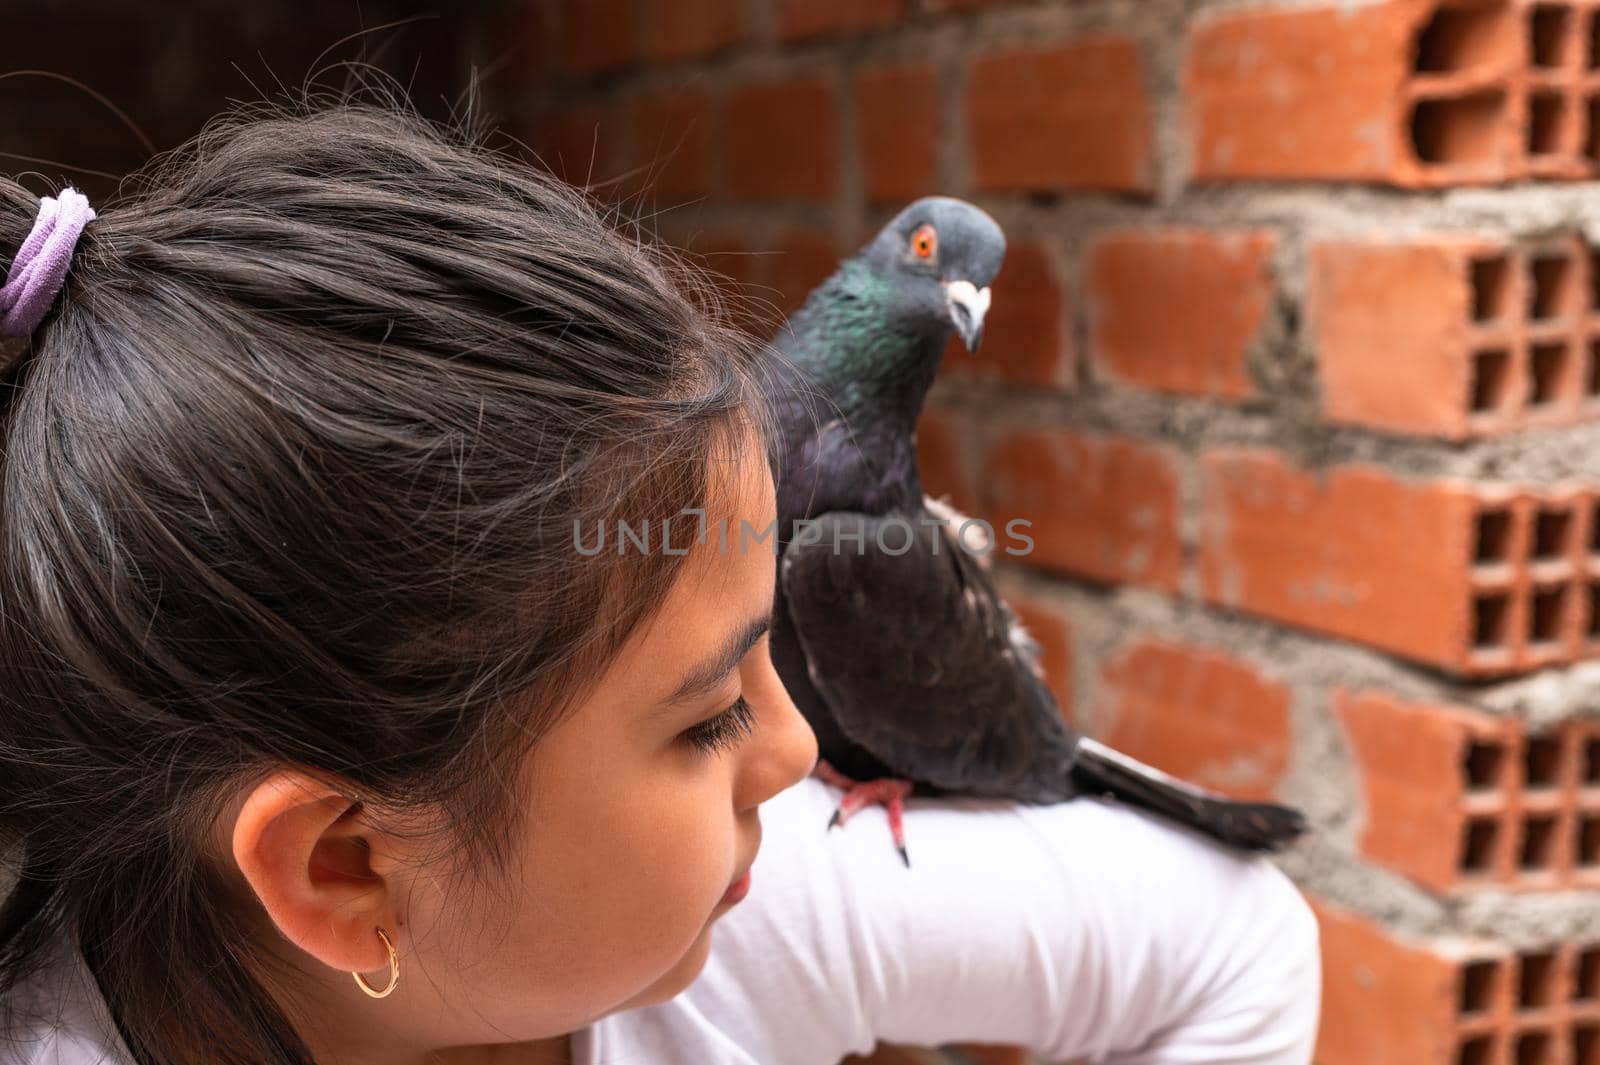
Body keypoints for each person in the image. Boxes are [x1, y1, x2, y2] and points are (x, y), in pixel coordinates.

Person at [0, 91, 1320, 1065]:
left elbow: (1237, 938)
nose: (801, 744)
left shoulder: (739, 907)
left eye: (769, 647)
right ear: (347, 864)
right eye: (706, 716)